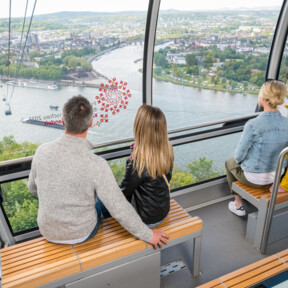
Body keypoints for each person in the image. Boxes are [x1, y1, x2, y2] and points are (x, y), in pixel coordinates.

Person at [28, 95, 169, 249]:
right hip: (83, 232)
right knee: (100, 201)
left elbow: (33, 189)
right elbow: (119, 207)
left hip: (47, 231)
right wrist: (149, 235)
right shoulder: (96, 164)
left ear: (63, 121)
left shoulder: (41, 152)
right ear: (91, 123)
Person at [225, 80, 288, 216]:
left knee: (229, 162)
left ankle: (238, 204)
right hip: (278, 176)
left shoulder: (253, 124)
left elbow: (238, 156)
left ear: (262, 99)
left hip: (254, 179)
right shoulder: (287, 123)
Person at [120, 104, 174, 228]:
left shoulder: (137, 163)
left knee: (101, 202)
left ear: (139, 128)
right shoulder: (167, 150)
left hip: (145, 220)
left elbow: (123, 194)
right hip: (162, 212)